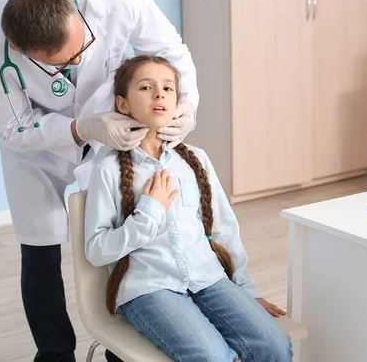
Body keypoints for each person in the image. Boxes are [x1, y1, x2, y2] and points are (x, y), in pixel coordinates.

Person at [0, 0, 198, 361]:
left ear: (73, 6)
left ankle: (120, 348)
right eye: (61, 63)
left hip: (113, 128)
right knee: (39, 252)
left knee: (124, 234)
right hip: (35, 148)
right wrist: (82, 128)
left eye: (81, 50)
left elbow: (170, 52)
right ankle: (55, 354)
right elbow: (12, 125)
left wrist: (188, 103)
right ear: (19, 50)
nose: (75, 65)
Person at [84, 55, 293, 362]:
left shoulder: (195, 159)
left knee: (274, 346)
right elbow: (96, 249)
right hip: (150, 289)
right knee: (212, 357)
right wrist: (149, 213)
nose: (159, 94)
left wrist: (246, 291)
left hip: (209, 278)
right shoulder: (108, 171)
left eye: (168, 88)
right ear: (123, 104)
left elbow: (224, 228)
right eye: (146, 87)